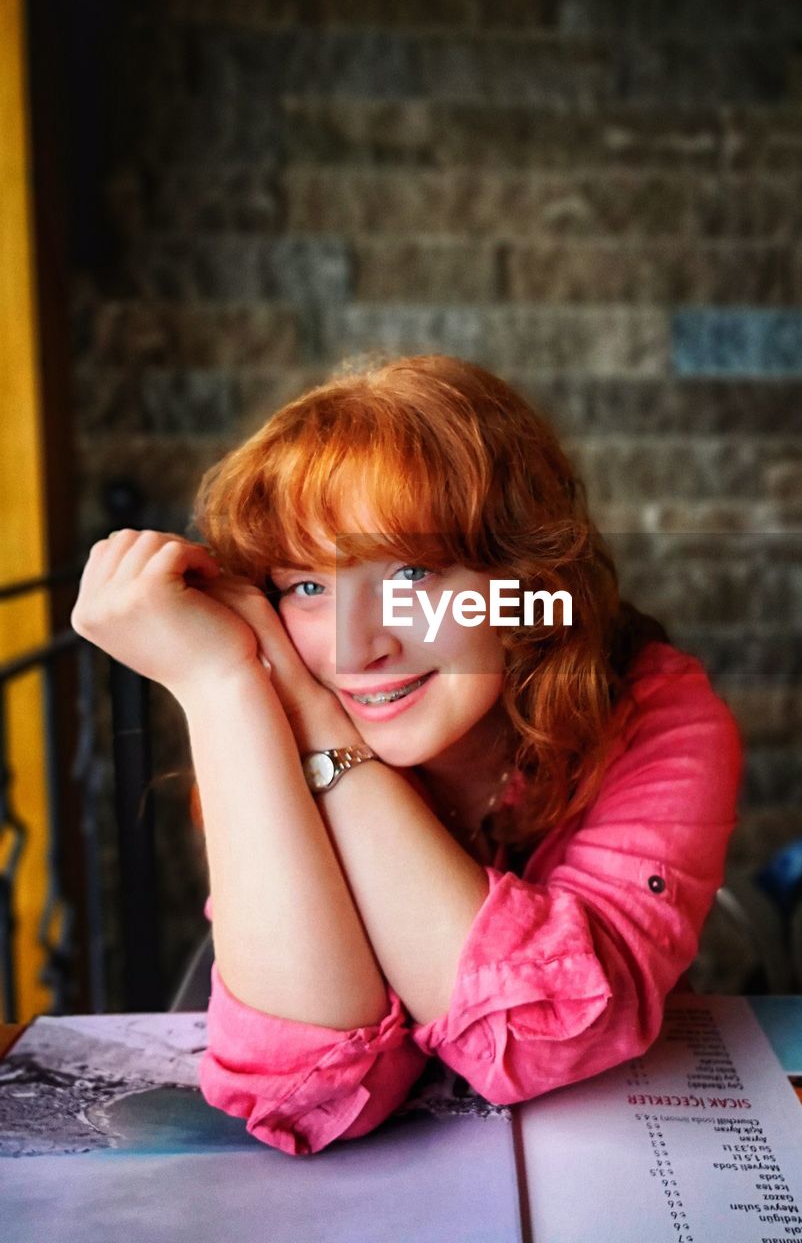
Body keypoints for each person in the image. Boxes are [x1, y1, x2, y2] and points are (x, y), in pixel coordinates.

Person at [71, 355, 742, 1157]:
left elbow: (543, 1042)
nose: (357, 648)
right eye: (307, 587)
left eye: (413, 574)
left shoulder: (657, 710)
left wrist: (322, 725)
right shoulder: (261, 705)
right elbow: (305, 1088)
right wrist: (219, 686)